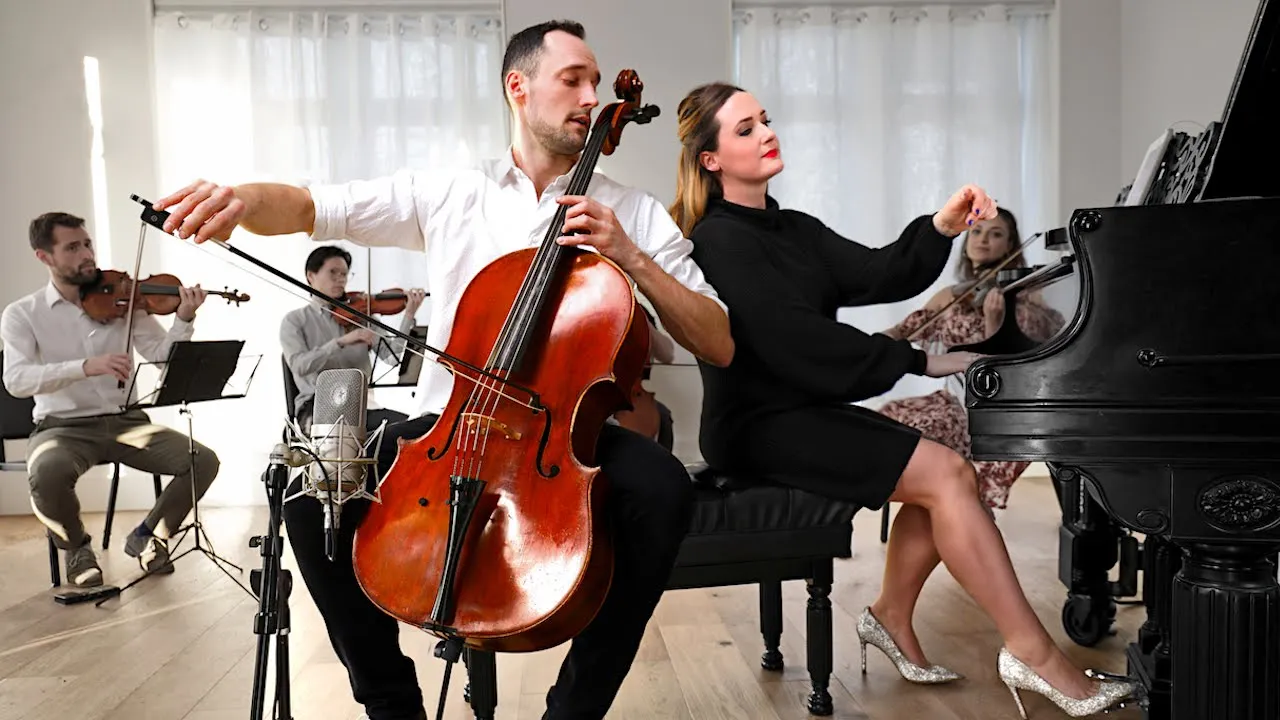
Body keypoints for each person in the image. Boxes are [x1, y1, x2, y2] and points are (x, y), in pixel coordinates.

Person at [151, 20, 733, 720]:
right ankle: (392, 705)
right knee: (311, 483)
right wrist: (240, 201)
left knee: (663, 488)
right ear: (519, 88)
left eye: (596, 83)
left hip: (561, 433)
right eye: (573, 79)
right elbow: (311, 205)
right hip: (446, 425)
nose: (591, 96)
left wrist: (631, 256)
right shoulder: (452, 190)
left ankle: (572, 713)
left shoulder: (630, 210)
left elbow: (718, 342)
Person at [671, 82, 1137, 718]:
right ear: (711, 159)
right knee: (947, 474)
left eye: (766, 120)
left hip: (799, 410)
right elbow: (797, 341)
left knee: (948, 474)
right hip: (758, 425)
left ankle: (891, 616)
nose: (767, 133)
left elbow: (878, 271)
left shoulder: (793, 228)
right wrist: (922, 360)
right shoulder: (719, 240)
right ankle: (1033, 653)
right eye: (745, 129)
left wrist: (942, 224)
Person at [1, 212, 220, 587]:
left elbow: (163, 359)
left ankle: (149, 536)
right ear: (44, 257)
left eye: (87, 244)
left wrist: (183, 319)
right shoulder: (23, 314)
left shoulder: (123, 300)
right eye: (72, 247)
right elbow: (16, 380)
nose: (87, 254)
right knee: (47, 473)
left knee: (203, 460)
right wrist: (84, 367)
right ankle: (77, 548)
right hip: (62, 428)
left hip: (126, 422)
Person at [879, 208, 1065, 510]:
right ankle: (938, 508)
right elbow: (902, 331)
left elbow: (1017, 367)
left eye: (996, 234)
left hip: (994, 409)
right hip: (952, 400)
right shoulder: (951, 296)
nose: (983, 240)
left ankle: (953, 509)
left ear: (1010, 244)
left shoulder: (1027, 296)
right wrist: (864, 344)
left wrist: (994, 323)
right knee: (889, 419)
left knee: (929, 436)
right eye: (976, 232)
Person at [280, 244, 426, 429]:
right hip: (317, 408)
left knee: (414, 427)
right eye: (333, 272)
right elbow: (299, 366)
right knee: (360, 430)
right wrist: (340, 342)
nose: (341, 279)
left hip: (360, 407)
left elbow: (392, 356)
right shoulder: (295, 321)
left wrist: (409, 315)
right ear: (311, 276)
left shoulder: (360, 315)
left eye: (344, 274)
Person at [613, 303, 677, 450]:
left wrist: (640, 319)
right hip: (597, 394)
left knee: (663, 416)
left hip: (635, 397)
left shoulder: (639, 312)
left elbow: (668, 355)